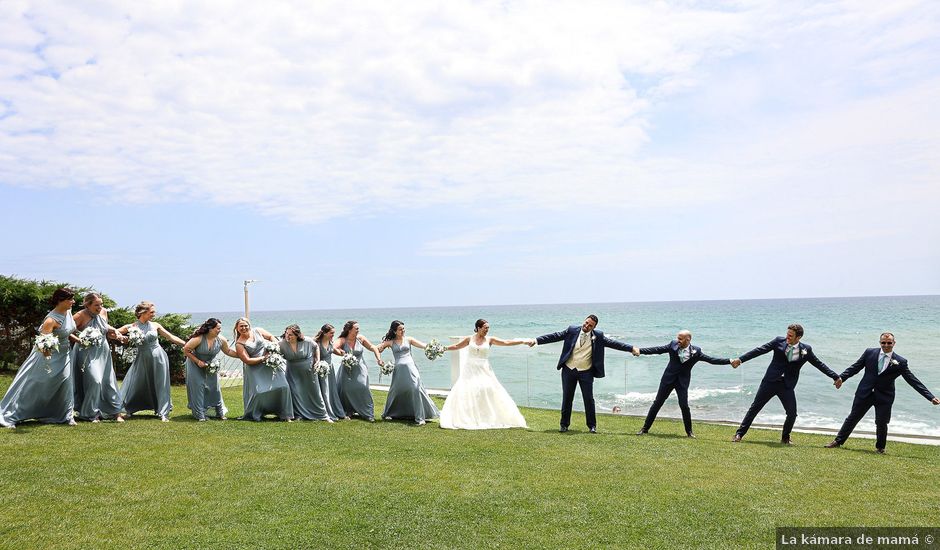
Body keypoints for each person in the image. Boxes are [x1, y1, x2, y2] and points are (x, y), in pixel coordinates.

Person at [825, 332, 939, 454]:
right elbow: (855, 367)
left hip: (884, 396)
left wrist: (930, 397)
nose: (886, 345)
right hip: (865, 392)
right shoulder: (869, 353)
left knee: (881, 422)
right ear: (880, 342)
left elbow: (913, 380)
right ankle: (838, 441)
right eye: (883, 343)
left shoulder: (901, 361)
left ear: (894, 343)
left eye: (889, 343)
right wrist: (841, 378)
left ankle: (880, 448)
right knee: (853, 417)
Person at [731, 323, 841, 444]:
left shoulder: (806, 350)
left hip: (786, 386)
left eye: (790, 336)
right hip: (770, 382)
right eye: (787, 334)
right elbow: (759, 350)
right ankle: (739, 434)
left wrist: (835, 377)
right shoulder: (778, 341)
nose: (787, 337)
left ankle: (785, 438)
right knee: (755, 408)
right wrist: (740, 359)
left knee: (792, 413)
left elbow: (819, 364)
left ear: (798, 338)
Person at [533, 315, 636, 433]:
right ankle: (564, 425)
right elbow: (555, 336)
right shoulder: (572, 330)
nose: (587, 326)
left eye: (590, 325)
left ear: (594, 327)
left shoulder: (599, 336)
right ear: (584, 321)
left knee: (588, 399)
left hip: (586, 372)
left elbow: (615, 344)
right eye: (586, 323)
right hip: (568, 369)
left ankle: (592, 426)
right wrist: (536, 340)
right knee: (567, 398)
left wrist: (631, 348)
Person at [0, 288, 78, 428]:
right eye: (70, 299)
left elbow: (65, 332)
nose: (73, 301)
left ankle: (64, 415)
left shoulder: (68, 312)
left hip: (65, 354)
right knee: (35, 384)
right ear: (60, 300)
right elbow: (42, 343)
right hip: (48, 357)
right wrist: (47, 359)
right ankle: (12, 414)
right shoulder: (50, 320)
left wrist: (78, 340)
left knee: (65, 383)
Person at [634, 330, 732, 438]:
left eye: (680, 339)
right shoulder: (672, 345)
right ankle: (645, 428)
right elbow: (657, 350)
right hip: (668, 380)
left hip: (682, 383)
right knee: (657, 402)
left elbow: (712, 360)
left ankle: (689, 432)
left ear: (688, 339)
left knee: (684, 406)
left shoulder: (696, 351)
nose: (678, 340)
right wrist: (640, 350)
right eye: (678, 338)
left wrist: (730, 361)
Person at [440, 319, 528, 430]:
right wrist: (443, 348)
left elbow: (507, 342)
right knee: (468, 390)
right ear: (478, 328)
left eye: (488, 328)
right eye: (485, 328)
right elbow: (457, 346)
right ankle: (469, 417)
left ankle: (487, 416)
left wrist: (523, 341)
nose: (487, 330)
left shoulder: (490, 340)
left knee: (488, 389)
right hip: (470, 368)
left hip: (484, 368)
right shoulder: (469, 339)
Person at [116, 301, 187, 422]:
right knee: (135, 383)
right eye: (152, 312)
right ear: (142, 312)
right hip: (142, 358)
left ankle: (163, 412)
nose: (154, 314)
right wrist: (121, 337)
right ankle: (129, 408)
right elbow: (114, 332)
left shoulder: (155, 325)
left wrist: (186, 345)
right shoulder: (132, 327)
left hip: (158, 357)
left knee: (161, 384)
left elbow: (170, 337)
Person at [71, 292, 125, 422]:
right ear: (87, 305)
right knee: (95, 381)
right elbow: (68, 331)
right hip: (86, 352)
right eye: (96, 305)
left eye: (101, 304)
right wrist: (81, 339)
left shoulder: (104, 312)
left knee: (108, 381)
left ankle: (115, 412)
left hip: (103, 351)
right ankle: (89, 413)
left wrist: (116, 332)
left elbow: (105, 329)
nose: (100, 307)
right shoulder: (80, 315)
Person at [375, 320, 438, 425]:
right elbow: (376, 348)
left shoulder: (409, 340)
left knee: (416, 388)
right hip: (399, 371)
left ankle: (420, 417)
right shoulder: (390, 342)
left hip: (411, 368)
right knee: (396, 391)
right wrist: (379, 359)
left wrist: (433, 347)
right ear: (395, 331)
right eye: (400, 329)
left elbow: (423, 345)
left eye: (403, 328)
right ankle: (390, 412)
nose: (403, 330)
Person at [233, 317, 294, 422]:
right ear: (237, 329)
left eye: (245, 325)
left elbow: (271, 337)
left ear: (249, 325)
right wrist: (263, 358)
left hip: (271, 363)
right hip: (255, 368)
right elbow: (247, 360)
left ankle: (285, 414)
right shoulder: (239, 343)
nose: (244, 328)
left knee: (284, 386)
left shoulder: (258, 331)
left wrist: (274, 346)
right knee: (259, 392)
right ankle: (256, 413)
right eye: (241, 326)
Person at [182, 318, 238, 421]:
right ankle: (199, 414)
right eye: (218, 328)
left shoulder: (221, 339)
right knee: (198, 387)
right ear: (210, 329)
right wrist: (198, 361)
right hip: (195, 365)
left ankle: (219, 413)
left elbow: (228, 351)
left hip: (211, 366)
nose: (219, 330)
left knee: (214, 388)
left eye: (220, 328)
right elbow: (185, 350)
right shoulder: (198, 338)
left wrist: (241, 356)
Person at [280, 324, 331, 422]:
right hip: (292, 371)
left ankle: (323, 415)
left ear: (297, 335)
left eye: (290, 335)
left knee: (314, 392)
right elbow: (272, 350)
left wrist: (317, 360)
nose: (288, 336)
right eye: (287, 334)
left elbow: (316, 347)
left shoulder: (307, 341)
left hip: (309, 370)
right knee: (296, 392)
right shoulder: (282, 344)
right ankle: (299, 414)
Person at [333, 320, 381, 422]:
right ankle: (347, 411)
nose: (358, 330)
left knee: (363, 387)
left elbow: (372, 347)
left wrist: (378, 358)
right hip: (347, 368)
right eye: (356, 328)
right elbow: (333, 347)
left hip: (360, 367)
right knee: (346, 389)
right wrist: (341, 353)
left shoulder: (361, 338)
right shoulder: (342, 340)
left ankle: (368, 413)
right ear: (349, 330)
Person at [314, 323, 347, 421]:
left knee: (332, 391)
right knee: (324, 391)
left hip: (330, 370)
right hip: (322, 370)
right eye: (331, 333)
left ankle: (336, 411)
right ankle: (325, 412)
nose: (333, 335)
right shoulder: (317, 343)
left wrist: (343, 354)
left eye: (333, 333)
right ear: (324, 333)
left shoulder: (330, 342)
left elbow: (333, 351)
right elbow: (316, 357)